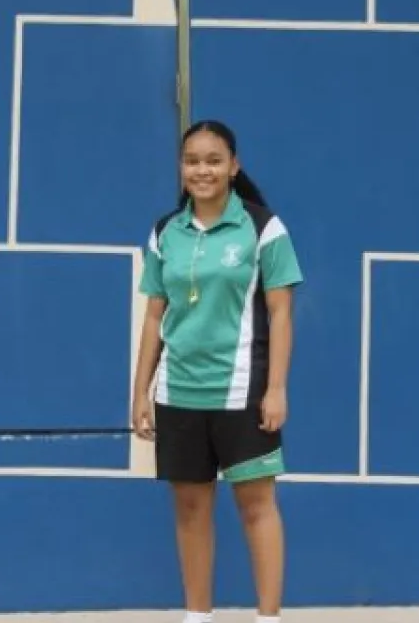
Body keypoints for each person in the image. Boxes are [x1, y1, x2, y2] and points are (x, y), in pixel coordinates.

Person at [130, 120, 303, 623]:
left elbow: (282, 313)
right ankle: (197, 615)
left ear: (233, 166)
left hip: (243, 392)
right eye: (192, 161)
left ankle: (268, 617)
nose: (201, 170)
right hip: (178, 391)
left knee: (256, 506)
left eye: (213, 160)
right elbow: (153, 317)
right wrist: (140, 391)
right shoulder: (166, 231)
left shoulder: (264, 227)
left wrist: (276, 389)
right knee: (189, 508)